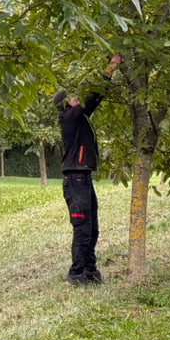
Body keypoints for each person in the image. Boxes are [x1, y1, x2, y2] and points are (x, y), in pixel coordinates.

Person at [52, 53, 123, 286]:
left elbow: (95, 99)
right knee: (83, 228)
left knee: (92, 228)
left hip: (82, 177)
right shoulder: (70, 117)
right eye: (73, 97)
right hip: (76, 179)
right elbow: (91, 98)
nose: (77, 98)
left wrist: (109, 72)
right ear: (67, 104)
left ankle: (90, 271)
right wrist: (109, 67)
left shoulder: (79, 118)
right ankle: (77, 274)